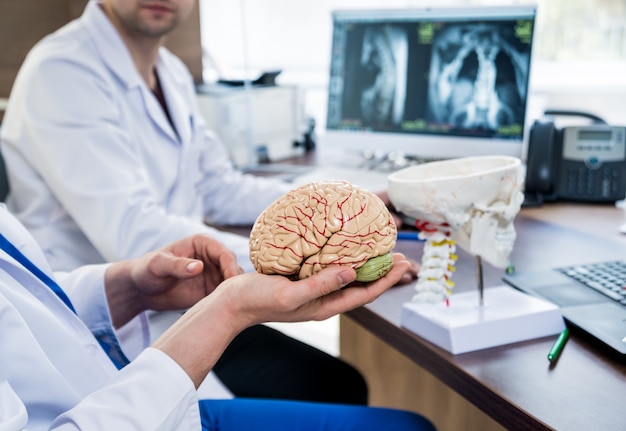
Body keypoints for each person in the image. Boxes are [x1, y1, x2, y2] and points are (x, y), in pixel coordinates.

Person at [0, 0, 417, 404]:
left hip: (181, 300)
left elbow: (220, 186)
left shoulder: (171, 72)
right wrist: (321, 258)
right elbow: (132, 231)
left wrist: (335, 213)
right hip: (112, 331)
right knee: (333, 388)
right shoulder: (61, 71)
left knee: (337, 381)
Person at [0, 205, 436, 430]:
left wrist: (129, 286)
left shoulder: (170, 70)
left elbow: (25, 308)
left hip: (125, 400)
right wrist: (228, 309)